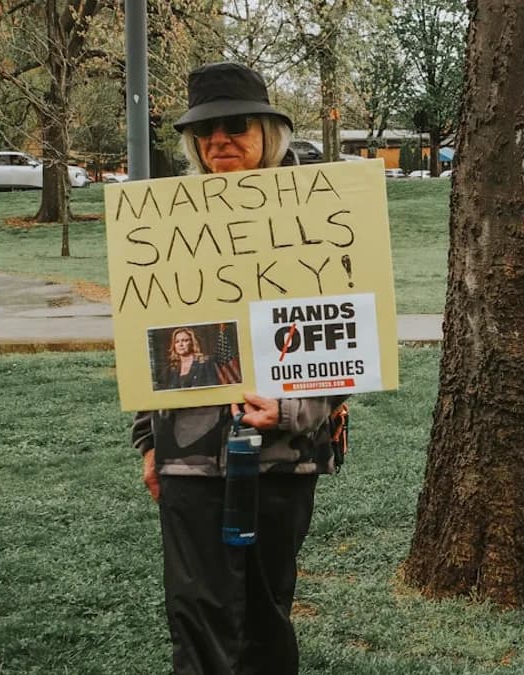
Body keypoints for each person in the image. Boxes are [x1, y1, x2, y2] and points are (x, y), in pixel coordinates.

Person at [132, 62, 344, 674]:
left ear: (268, 133)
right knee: (196, 612)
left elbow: (344, 340)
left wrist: (293, 410)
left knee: (265, 611)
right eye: (205, 131)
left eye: (234, 126)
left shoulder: (319, 221)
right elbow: (147, 337)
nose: (218, 140)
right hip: (189, 457)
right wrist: (150, 442)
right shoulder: (166, 223)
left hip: (281, 454)